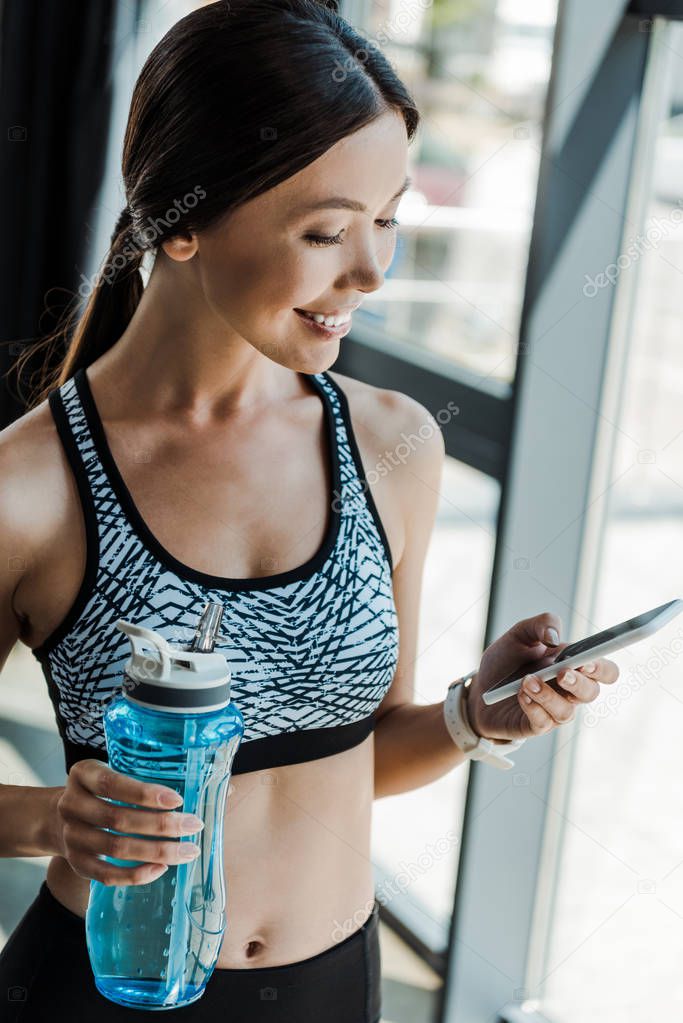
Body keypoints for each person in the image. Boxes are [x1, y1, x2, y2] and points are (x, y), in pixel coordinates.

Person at [0, 1, 619, 1019]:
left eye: (387, 221)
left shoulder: (392, 447)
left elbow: (358, 750)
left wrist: (478, 717)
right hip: (95, 991)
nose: (371, 273)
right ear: (182, 219)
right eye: (326, 229)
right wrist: (49, 820)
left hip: (332, 984)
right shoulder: (31, 485)